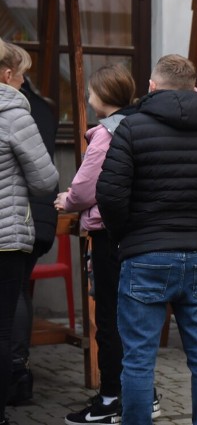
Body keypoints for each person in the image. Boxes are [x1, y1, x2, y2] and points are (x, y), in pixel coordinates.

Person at [95, 54, 197, 425]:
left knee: (138, 358)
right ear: (195, 88)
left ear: (151, 86)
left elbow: (110, 195)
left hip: (143, 254)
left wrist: (126, 235)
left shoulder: (131, 129)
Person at [55, 64, 157, 424]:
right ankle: (145, 393)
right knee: (133, 315)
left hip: (107, 233)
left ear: (102, 96)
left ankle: (112, 395)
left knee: (109, 316)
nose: (88, 97)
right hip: (139, 232)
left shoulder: (106, 133)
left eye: (91, 92)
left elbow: (86, 188)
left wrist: (66, 200)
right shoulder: (143, 125)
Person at [0, 39, 59, 425]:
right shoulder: (14, 112)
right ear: (7, 75)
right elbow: (45, 179)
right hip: (6, 238)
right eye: (22, 75)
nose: (24, 83)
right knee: (2, 327)